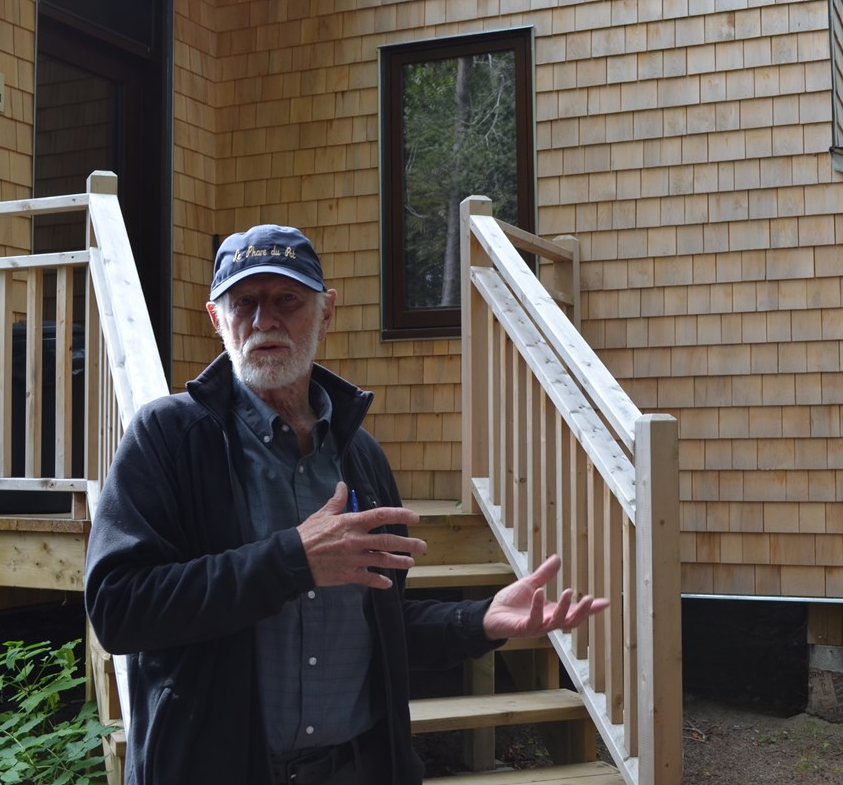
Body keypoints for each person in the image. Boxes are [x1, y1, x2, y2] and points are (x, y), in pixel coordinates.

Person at [84, 224, 609, 785]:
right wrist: (293, 559)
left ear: (326, 312)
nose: (264, 321)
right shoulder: (168, 438)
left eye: (287, 300)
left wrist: (477, 619)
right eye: (244, 303)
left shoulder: (360, 455)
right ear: (217, 318)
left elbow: (381, 625)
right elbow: (119, 608)